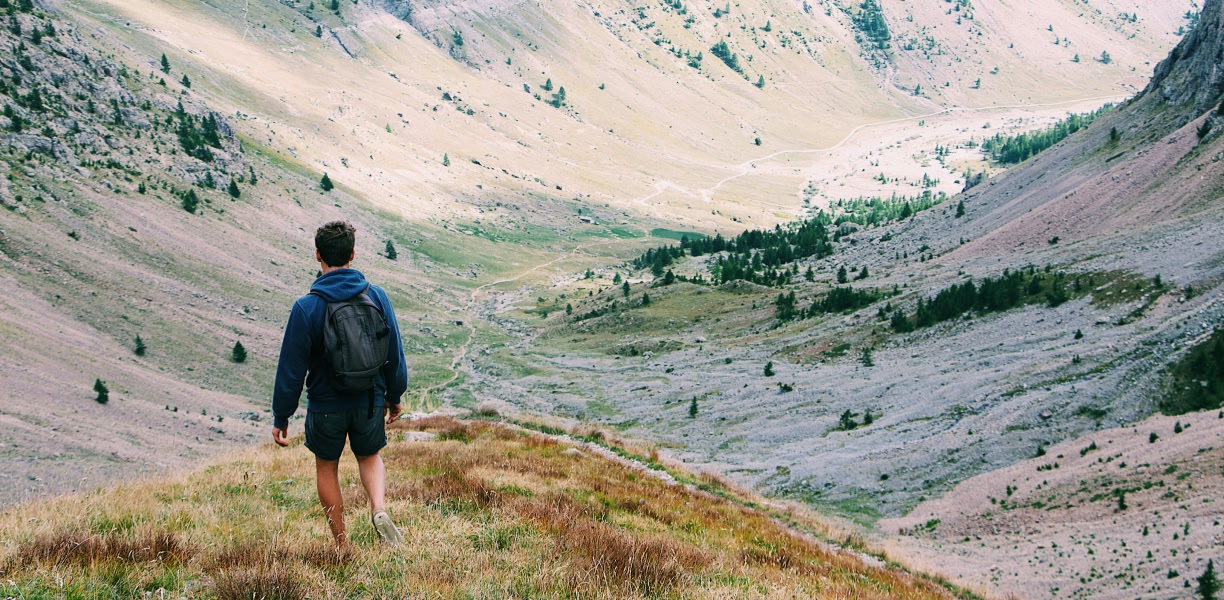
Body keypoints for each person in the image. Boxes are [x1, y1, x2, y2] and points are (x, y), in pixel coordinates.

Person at [272, 220, 408, 549]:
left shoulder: (307, 307)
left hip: (326, 405)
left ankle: (342, 544)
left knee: (327, 467)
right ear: (352, 254)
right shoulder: (376, 295)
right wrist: (394, 395)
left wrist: (282, 416)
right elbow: (394, 352)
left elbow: (292, 368)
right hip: (370, 400)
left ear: (318, 254)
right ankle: (378, 508)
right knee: (370, 456)